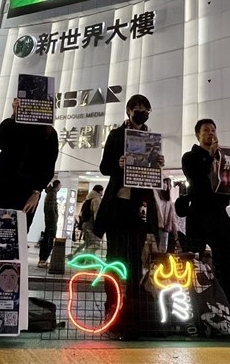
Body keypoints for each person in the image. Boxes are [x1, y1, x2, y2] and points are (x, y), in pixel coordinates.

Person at [94, 94, 164, 339]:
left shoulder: (152, 139)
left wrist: (158, 165)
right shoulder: (116, 135)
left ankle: (133, 310)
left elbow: (153, 179)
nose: (141, 111)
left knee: (135, 261)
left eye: (145, 108)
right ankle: (111, 308)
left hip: (140, 209)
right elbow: (104, 168)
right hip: (117, 206)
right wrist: (119, 163)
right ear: (128, 111)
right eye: (136, 108)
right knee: (114, 259)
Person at [0, 98, 58, 232]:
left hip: (27, 193)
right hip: (3, 188)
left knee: (18, 233)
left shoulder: (49, 133)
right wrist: (15, 115)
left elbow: (48, 166)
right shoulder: (13, 124)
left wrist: (36, 192)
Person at [181, 119, 230, 300]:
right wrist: (211, 158)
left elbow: (226, 190)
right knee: (194, 264)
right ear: (198, 135)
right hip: (198, 215)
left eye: (213, 129)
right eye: (206, 130)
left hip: (220, 215)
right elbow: (197, 182)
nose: (211, 133)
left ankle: (226, 309)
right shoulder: (189, 157)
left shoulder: (224, 159)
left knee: (225, 267)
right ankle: (195, 307)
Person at [70, 185, 104, 258]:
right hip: (90, 225)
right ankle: (78, 257)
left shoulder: (88, 198)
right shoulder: (96, 199)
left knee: (88, 244)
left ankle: (86, 261)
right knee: (96, 244)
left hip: (85, 224)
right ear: (100, 191)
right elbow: (97, 213)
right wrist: (98, 225)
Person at [38, 179, 61, 267]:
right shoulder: (52, 194)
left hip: (49, 220)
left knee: (47, 239)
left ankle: (43, 259)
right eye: (60, 185)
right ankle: (43, 260)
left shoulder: (51, 193)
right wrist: (54, 219)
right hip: (51, 221)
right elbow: (51, 209)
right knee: (49, 240)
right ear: (57, 185)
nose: (60, 187)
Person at [153, 177, 177, 253]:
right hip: (156, 225)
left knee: (163, 249)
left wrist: (175, 231)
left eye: (167, 183)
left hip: (165, 227)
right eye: (164, 183)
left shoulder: (169, 201)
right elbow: (154, 190)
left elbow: (173, 217)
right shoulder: (158, 197)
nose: (165, 185)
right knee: (155, 248)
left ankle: (160, 263)